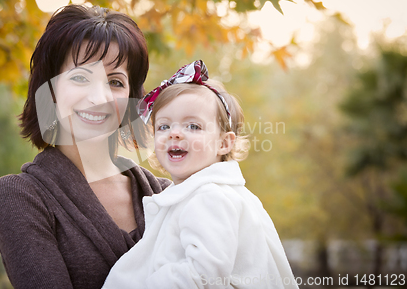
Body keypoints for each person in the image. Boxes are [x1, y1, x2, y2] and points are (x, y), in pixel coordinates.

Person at [0, 4, 171, 289]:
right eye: (81, 78)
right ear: (50, 90)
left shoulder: (170, 196)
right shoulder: (19, 197)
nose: (99, 97)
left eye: (115, 81)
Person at [102, 60, 299, 289]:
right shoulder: (202, 193)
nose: (175, 133)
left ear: (224, 143)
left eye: (193, 126)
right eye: (164, 126)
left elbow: (204, 275)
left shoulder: (210, 197)